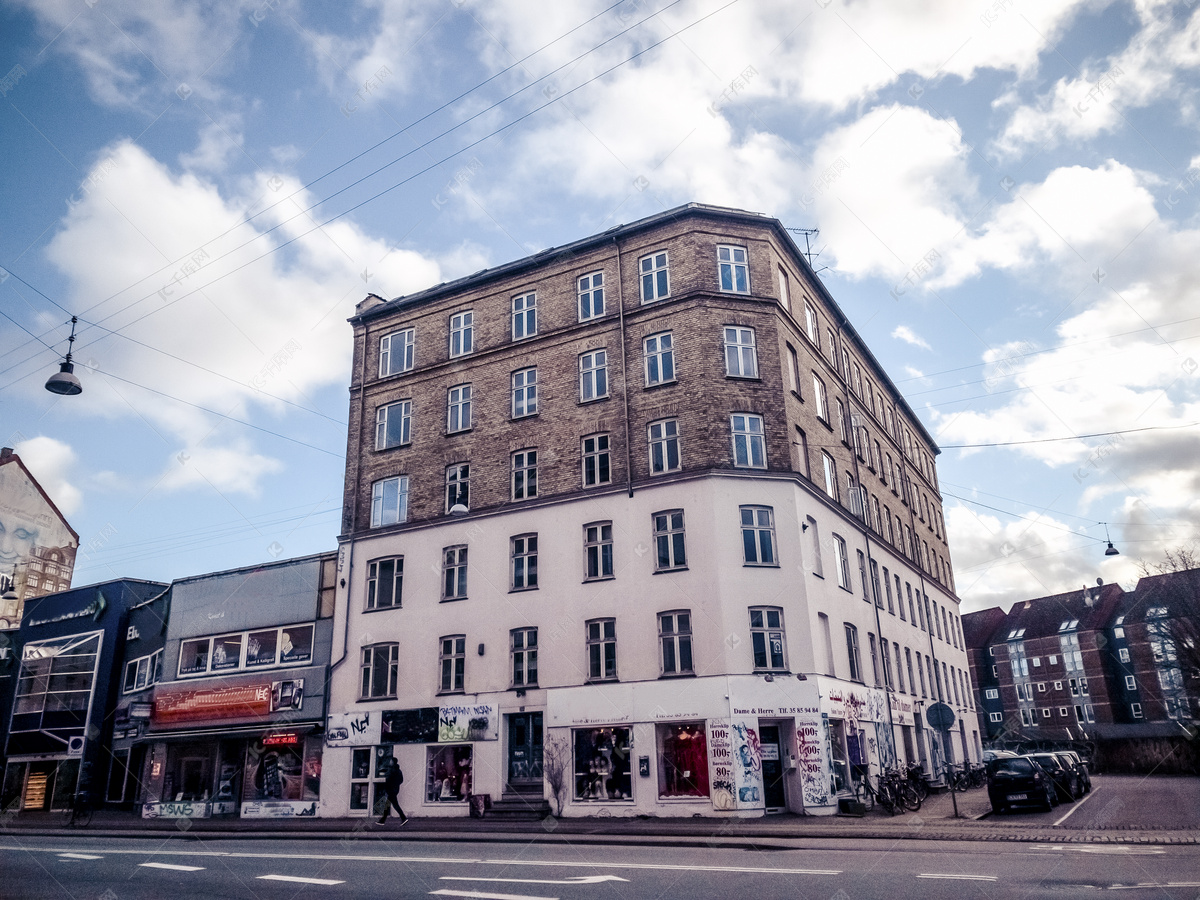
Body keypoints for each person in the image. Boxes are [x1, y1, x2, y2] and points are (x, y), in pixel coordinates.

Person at [377, 758, 407, 825]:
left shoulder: (391, 770)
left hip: (390, 790)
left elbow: (388, 781)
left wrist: (387, 790)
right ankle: (382, 820)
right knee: (389, 805)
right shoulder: (399, 771)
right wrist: (396, 785)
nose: (390, 762)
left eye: (390, 761)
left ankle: (403, 818)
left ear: (393, 762)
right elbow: (401, 780)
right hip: (395, 790)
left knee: (393, 805)